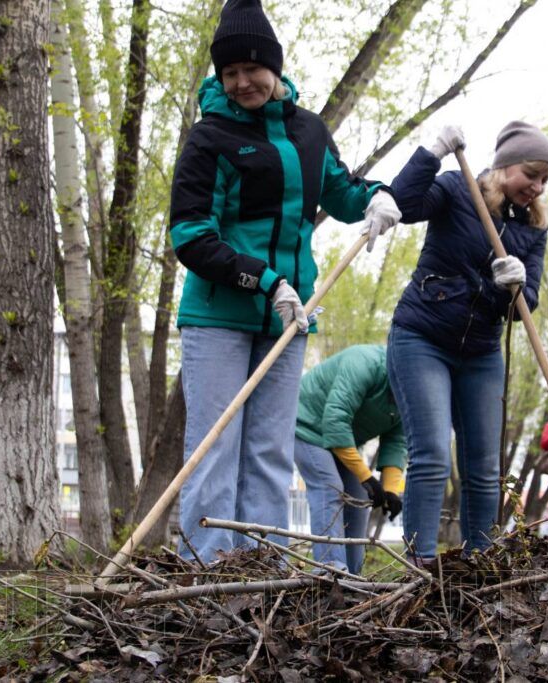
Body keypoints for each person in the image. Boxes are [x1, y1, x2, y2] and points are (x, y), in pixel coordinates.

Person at [170, 0, 402, 564]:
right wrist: (267, 281)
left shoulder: (308, 132)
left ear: (274, 68)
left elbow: (340, 192)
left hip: (291, 319)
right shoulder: (210, 139)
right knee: (214, 447)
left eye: (252, 69)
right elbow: (191, 236)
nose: (242, 82)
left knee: (271, 451)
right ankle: (208, 566)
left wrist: (375, 197)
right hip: (221, 315)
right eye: (229, 73)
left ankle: (262, 569)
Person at [386, 121, 548, 562]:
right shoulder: (458, 189)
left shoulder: (534, 231)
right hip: (422, 337)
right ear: (504, 167)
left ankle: (481, 566)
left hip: (481, 352)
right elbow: (403, 205)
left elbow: (524, 305)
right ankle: (420, 565)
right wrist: (431, 153)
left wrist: (517, 285)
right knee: (432, 457)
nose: (536, 187)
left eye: (544, 180)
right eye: (530, 174)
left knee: (484, 469)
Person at [293, 345, 406, 574]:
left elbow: (396, 442)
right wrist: (366, 476)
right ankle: (330, 571)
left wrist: (390, 489)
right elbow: (335, 419)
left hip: (341, 439)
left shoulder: (409, 395)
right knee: (329, 488)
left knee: (359, 501)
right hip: (306, 425)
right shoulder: (364, 363)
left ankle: (353, 578)